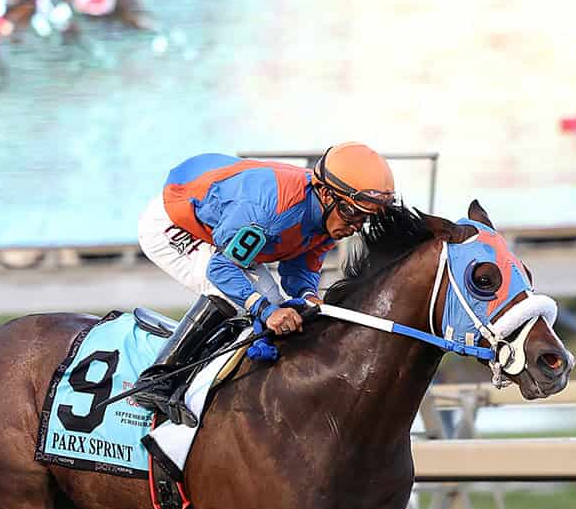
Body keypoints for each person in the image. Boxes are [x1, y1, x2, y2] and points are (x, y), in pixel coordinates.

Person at [134, 142, 396, 421]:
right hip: (174, 222)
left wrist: (308, 295)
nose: (356, 225)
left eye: (366, 218)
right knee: (236, 298)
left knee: (280, 305)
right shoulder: (270, 213)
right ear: (325, 193)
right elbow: (221, 268)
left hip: (219, 219)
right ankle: (158, 379)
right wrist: (264, 310)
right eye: (353, 212)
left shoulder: (331, 218)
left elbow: (299, 269)